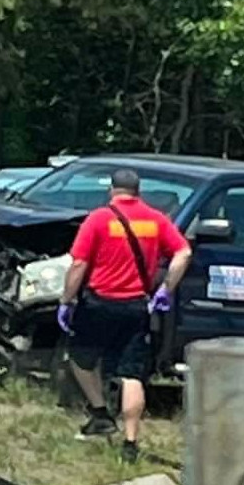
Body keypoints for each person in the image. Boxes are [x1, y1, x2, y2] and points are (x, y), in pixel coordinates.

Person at [56, 168, 191, 462]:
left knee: (81, 357)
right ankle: (130, 443)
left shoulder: (99, 219)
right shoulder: (156, 220)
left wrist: (66, 301)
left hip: (98, 304)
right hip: (136, 307)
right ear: (138, 191)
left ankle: (101, 412)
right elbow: (184, 253)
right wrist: (166, 289)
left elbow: (79, 264)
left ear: (112, 191)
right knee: (132, 374)